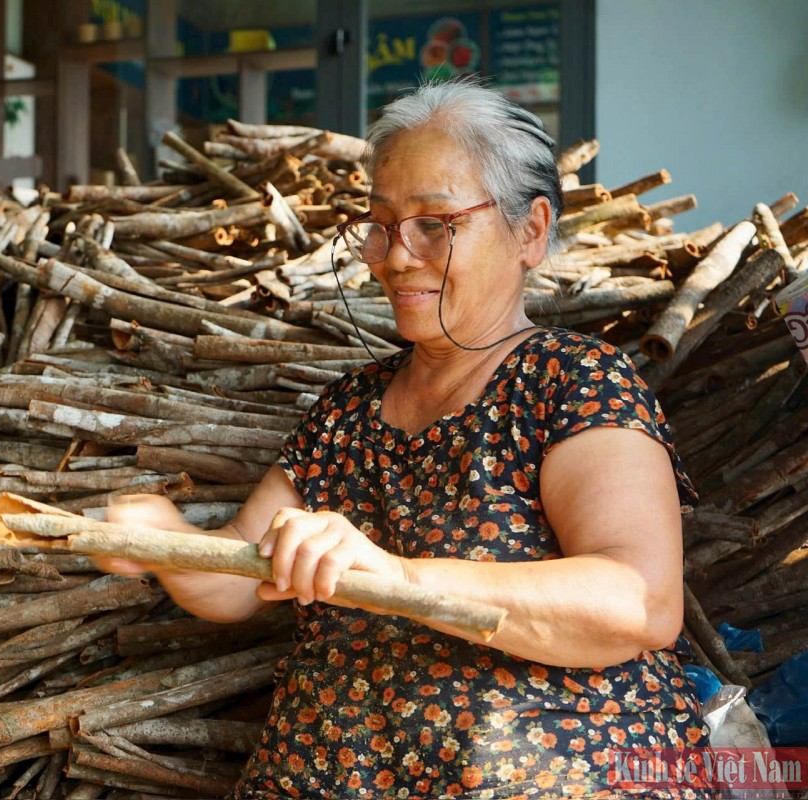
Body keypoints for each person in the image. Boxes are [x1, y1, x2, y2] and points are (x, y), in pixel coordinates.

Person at [101, 79, 707, 799]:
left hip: (552, 773)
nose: (394, 257)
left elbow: (638, 603)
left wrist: (393, 577)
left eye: (435, 224)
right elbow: (240, 580)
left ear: (531, 231)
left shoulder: (572, 381)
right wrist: (161, 539)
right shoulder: (348, 412)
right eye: (382, 224)